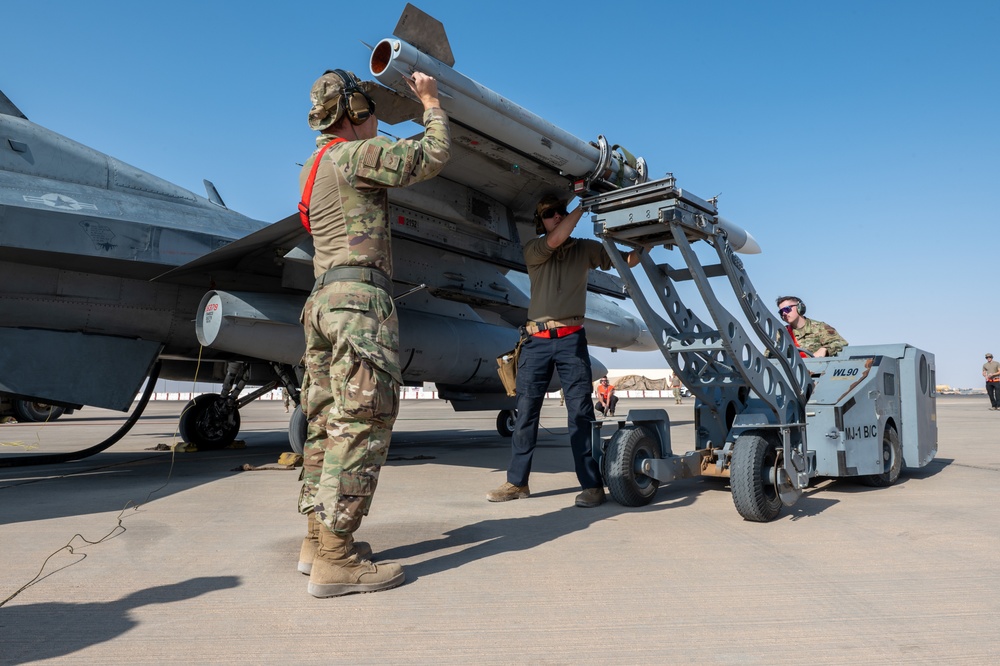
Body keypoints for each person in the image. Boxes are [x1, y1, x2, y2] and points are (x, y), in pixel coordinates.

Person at [296, 68, 450, 597]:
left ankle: (318, 541)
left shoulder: (314, 168)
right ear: (355, 114)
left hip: (322, 302)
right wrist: (430, 102)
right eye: (371, 113)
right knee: (363, 421)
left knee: (326, 423)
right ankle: (336, 560)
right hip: (358, 302)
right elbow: (429, 155)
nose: (377, 121)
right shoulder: (352, 155)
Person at [487, 196, 640, 508]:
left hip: (571, 340)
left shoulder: (584, 248)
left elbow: (624, 260)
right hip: (536, 341)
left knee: (580, 415)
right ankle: (517, 483)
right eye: (548, 214)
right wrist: (583, 207)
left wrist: (646, 244)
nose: (555, 217)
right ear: (540, 222)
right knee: (526, 412)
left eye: (560, 212)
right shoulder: (534, 247)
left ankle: (591, 486)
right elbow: (555, 239)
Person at [776, 295, 847, 357]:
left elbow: (841, 343)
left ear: (800, 307)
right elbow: (770, 355)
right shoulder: (782, 333)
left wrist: (825, 349)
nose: (784, 313)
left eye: (787, 309)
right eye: (781, 312)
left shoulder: (820, 328)